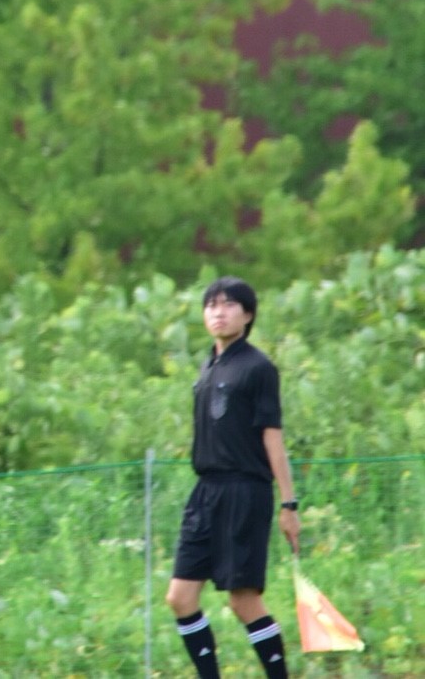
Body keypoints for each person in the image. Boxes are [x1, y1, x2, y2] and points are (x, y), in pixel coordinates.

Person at [165, 276, 301, 679]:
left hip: (245, 491)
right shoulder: (208, 365)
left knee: (243, 601)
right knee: (180, 597)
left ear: (248, 314)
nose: (218, 313)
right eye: (211, 305)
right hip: (206, 491)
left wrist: (288, 504)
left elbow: (273, 439)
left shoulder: (258, 368)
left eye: (228, 305)